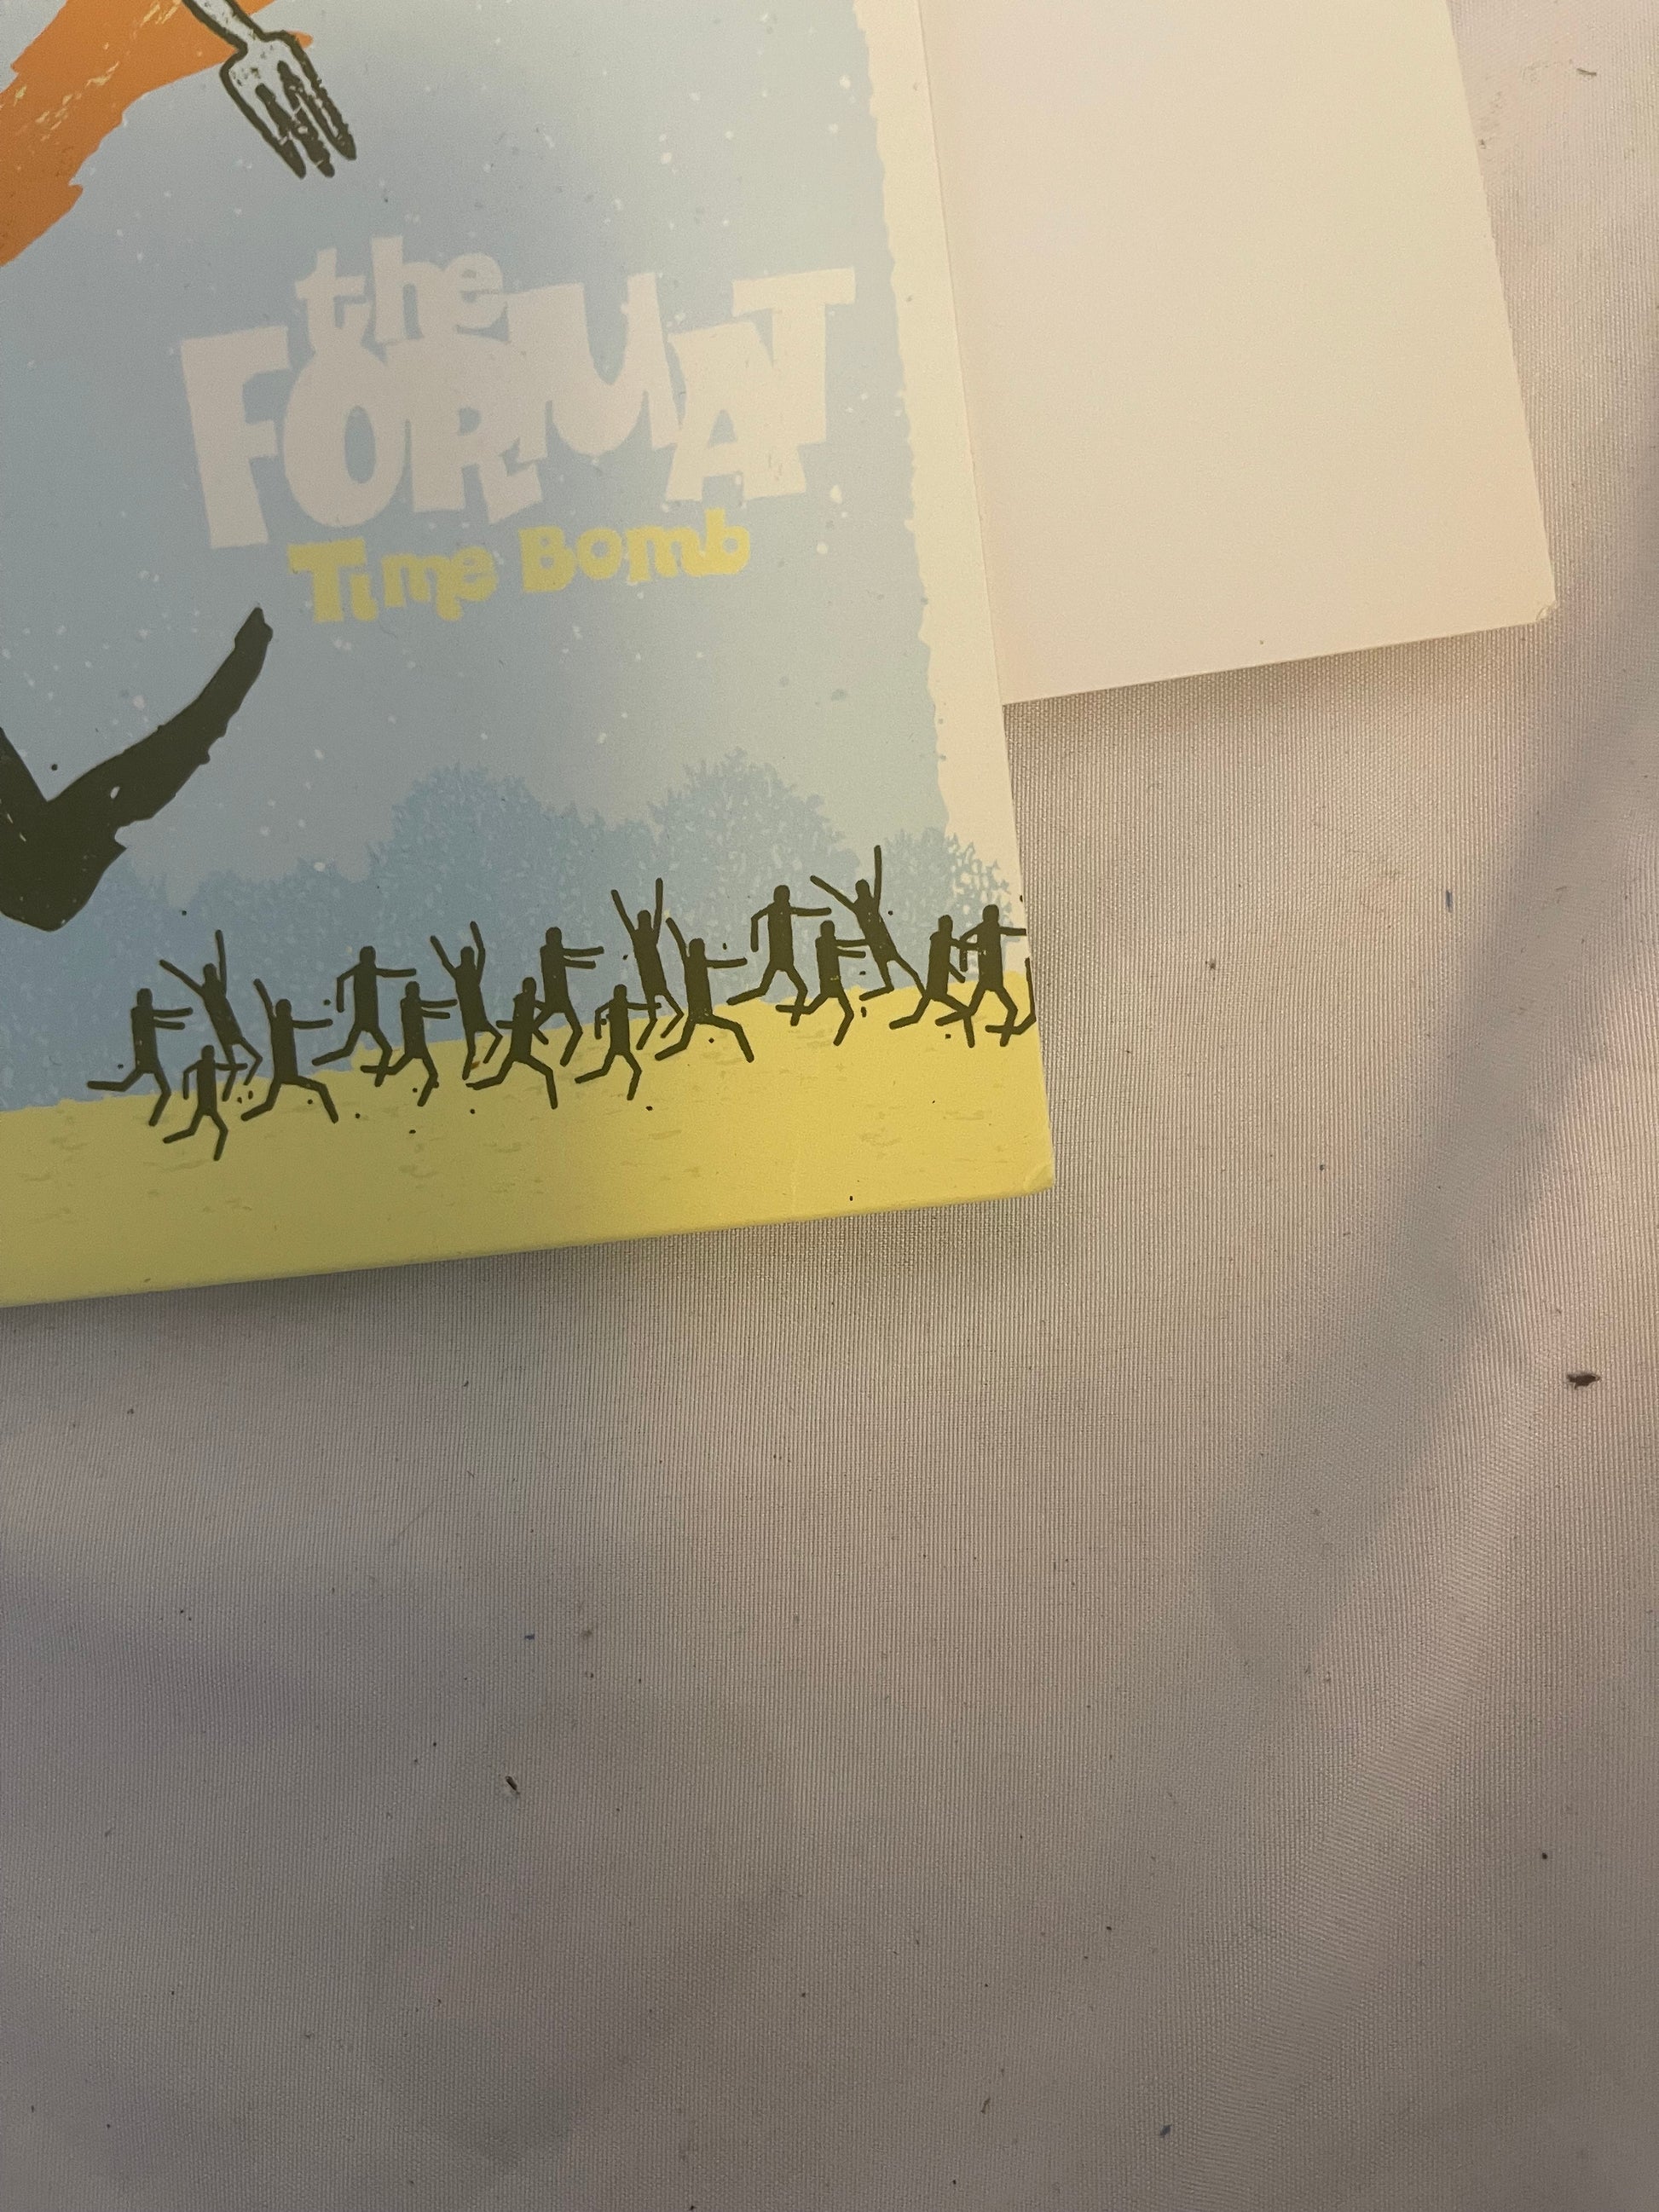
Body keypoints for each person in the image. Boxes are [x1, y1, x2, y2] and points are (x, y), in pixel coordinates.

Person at [1, 609, 269, 933]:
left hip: (55, 866)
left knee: (174, 751)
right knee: (174, 751)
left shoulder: (66, 835)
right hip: (52, 873)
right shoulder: (62, 846)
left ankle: (245, 660)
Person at [810, 846, 922, 999]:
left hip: (883, 945)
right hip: (881, 946)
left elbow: (872, 884)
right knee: (908, 974)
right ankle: (892, 990)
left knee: (909, 974)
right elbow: (873, 884)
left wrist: (878, 857)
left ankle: (916, 993)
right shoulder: (865, 906)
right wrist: (877, 857)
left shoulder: (864, 906)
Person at [159, 929, 262, 1091]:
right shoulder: (213, 990)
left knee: (241, 1062)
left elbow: (217, 966)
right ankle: (232, 1089)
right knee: (241, 1062)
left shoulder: (212, 991)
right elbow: (218, 966)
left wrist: (220, 942)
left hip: (226, 1027)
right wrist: (219, 942)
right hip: (226, 1027)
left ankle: (235, 1086)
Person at [88, 986, 193, 1124]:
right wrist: (181, 1017)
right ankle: (153, 1121)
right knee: (164, 1091)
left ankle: (94, 1085)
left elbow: (157, 1019)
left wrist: (179, 1022)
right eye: (149, 999)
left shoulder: (140, 1013)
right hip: (148, 1058)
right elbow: (160, 1017)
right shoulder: (140, 1012)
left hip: (145, 1057)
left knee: (126, 1086)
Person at [656, 920, 753, 1065]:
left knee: (683, 1043)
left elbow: (681, 943)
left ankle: (659, 1056)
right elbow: (682, 944)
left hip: (696, 1015)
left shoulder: (691, 962)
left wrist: (671, 923)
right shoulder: (696, 962)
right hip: (703, 1014)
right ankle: (749, 1057)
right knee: (735, 1027)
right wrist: (741, 962)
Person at [241, 980, 338, 1123]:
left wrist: (260, 987)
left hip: (283, 1075)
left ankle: (245, 1117)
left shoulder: (280, 1022)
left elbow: (268, 1005)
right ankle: (244, 1117)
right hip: (288, 1075)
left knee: (269, 1104)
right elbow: (268, 1004)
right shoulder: (280, 1023)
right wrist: (260, 987)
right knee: (320, 1088)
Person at [315, 944, 417, 1073]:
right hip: (365, 1019)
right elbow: (341, 979)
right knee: (373, 1050)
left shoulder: (366, 969)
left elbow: (386, 974)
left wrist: (408, 972)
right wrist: (340, 1004)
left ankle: (379, 1075)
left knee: (379, 1050)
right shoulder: (362, 969)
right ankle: (318, 1061)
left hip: (370, 1020)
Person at [730, 884, 830, 1009]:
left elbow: (804, 912)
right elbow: (754, 918)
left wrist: (822, 911)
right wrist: (754, 943)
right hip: (779, 959)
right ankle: (733, 1001)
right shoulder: (774, 909)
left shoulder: (784, 909)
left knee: (797, 989)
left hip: (785, 959)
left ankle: (795, 1015)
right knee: (768, 989)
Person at [469, 978, 560, 1112]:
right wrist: (538, 1035)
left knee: (501, 1078)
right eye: (532, 989)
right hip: (520, 1052)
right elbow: (523, 1023)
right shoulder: (525, 1001)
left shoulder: (527, 1002)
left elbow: (528, 1023)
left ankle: (477, 1086)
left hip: (520, 1053)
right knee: (547, 1072)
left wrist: (539, 1034)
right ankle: (476, 1086)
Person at [609, 881, 683, 1043]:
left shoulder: (640, 937)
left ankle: (649, 1038)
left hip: (650, 977)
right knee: (669, 1009)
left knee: (657, 1015)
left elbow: (626, 917)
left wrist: (616, 898)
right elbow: (656, 912)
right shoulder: (649, 936)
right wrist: (659, 890)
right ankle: (649, 1040)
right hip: (653, 975)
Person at [890, 915, 976, 1046]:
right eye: (949, 926)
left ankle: (894, 1025)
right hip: (939, 991)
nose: (950, 929)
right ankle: (966, 1039)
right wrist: (977, 947)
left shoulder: (937, 941)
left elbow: (944, 962)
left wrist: (958, 976)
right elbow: (950, 955)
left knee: (916, 1017)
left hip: (931, 989)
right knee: (966, 1011)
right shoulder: (943, 940)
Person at [430, 923, 501, 1078]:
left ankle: (470, 1070)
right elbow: (482, 952)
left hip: (470, 1018)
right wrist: (475, 931)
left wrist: (437, 944)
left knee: (474, 1049)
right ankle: (469, 1071)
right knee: (493, 1039)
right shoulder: (472, 975)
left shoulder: (461, 975)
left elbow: (446, 962)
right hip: (476, 1016)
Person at [374, 982, 457, 1108]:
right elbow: (428, 1008)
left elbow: (427, 1008)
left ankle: (374, 1070)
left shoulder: (406, 1003)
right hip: (418, 1045)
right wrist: (446, 1010)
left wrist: (447, 1008)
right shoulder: (411, 1004)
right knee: (433, 1074)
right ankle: (422, 1100)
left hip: (412, 1044)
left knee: (395, 1070)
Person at [789, 919, 869, 1047]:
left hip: (835, 984)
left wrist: (862, 946)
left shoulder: (826, 943)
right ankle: (791, 1010)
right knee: (813, 1010)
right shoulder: (824, 944)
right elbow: (843, 947)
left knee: (847, 1013)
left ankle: (837, 1041)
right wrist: (862, 948)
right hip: (829, 985)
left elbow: (843, 946)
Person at [957, 904, 1027, 1043]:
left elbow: (963, 938)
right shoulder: (994, 928)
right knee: (1012, 1009)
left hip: (986, 979)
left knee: (972, 1009)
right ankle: (1003, 1040)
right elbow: (1011, 932)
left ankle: (998, 1039)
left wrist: (966, 953)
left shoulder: (981, 928)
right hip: (994, 979)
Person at [536, 926, 604, 1066]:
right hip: (557, 999)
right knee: (577, 1030)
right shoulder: (547, 952)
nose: (560, 942)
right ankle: (560, 1056)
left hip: (561, 1000)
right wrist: (592, 958)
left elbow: (570, 957)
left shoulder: (550, 952)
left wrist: (591, 960)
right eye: (558, 939)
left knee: (578, 1031)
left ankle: (564, 1060)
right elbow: (572, 956)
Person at [163, 1043, 237, 1162]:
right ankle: (217, 1157)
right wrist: (186, 1092)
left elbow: (187, 1072)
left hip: (206, 1106)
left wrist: (186, 1092)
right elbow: (224, 1067)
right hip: (208, 1106)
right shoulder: (206, 1064)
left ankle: (169, 1139)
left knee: (193, 1131)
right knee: (222, 1130)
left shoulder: (206, 1064)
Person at [576, 985, 650, 1102]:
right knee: (636, 1070)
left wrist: (599, 1029)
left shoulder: (613, 1005)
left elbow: (598, 1012)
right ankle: (630, 1097)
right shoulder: (621, 1004)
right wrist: (651, 1006)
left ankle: (580, 1079)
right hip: (622, 1047)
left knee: (604, 1070)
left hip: (617, 1047)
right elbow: (636, 1006)